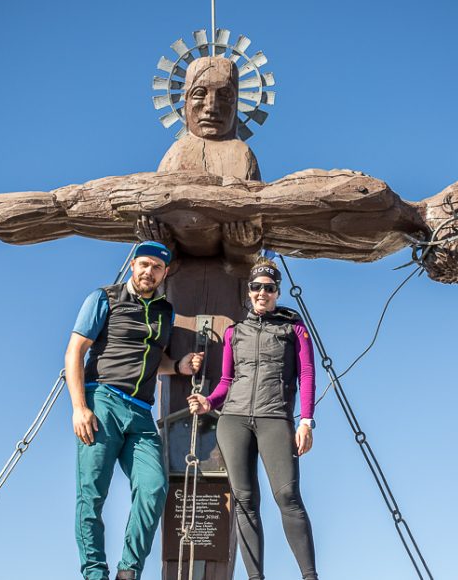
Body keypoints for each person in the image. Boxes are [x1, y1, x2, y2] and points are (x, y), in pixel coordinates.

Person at [64, 240, 204, 580]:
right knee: (92, 494)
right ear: (132, 266)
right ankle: (95, 573)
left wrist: (180, 365)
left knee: (154, 486)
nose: (149, 272)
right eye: (144, 264)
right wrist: (79, 407)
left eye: (156, 268)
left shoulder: (164, 312)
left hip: (141, 413)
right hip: (103, 404)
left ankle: (129, 571)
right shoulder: (104, 298)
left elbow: (157, 362)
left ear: (164, 273)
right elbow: (74, 352)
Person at [188, 257, 319, 580]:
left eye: (269, 288)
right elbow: (226, 381)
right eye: (257, 287)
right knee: (245, 500)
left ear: (277, 291)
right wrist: (209, 402)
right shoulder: (235, 332)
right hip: (233, 419)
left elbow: (306, 372)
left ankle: (310, 576)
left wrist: (306, 421)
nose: (263, 293)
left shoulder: (294, 328)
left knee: (287, 495)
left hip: (275, 417)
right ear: (249, 291)